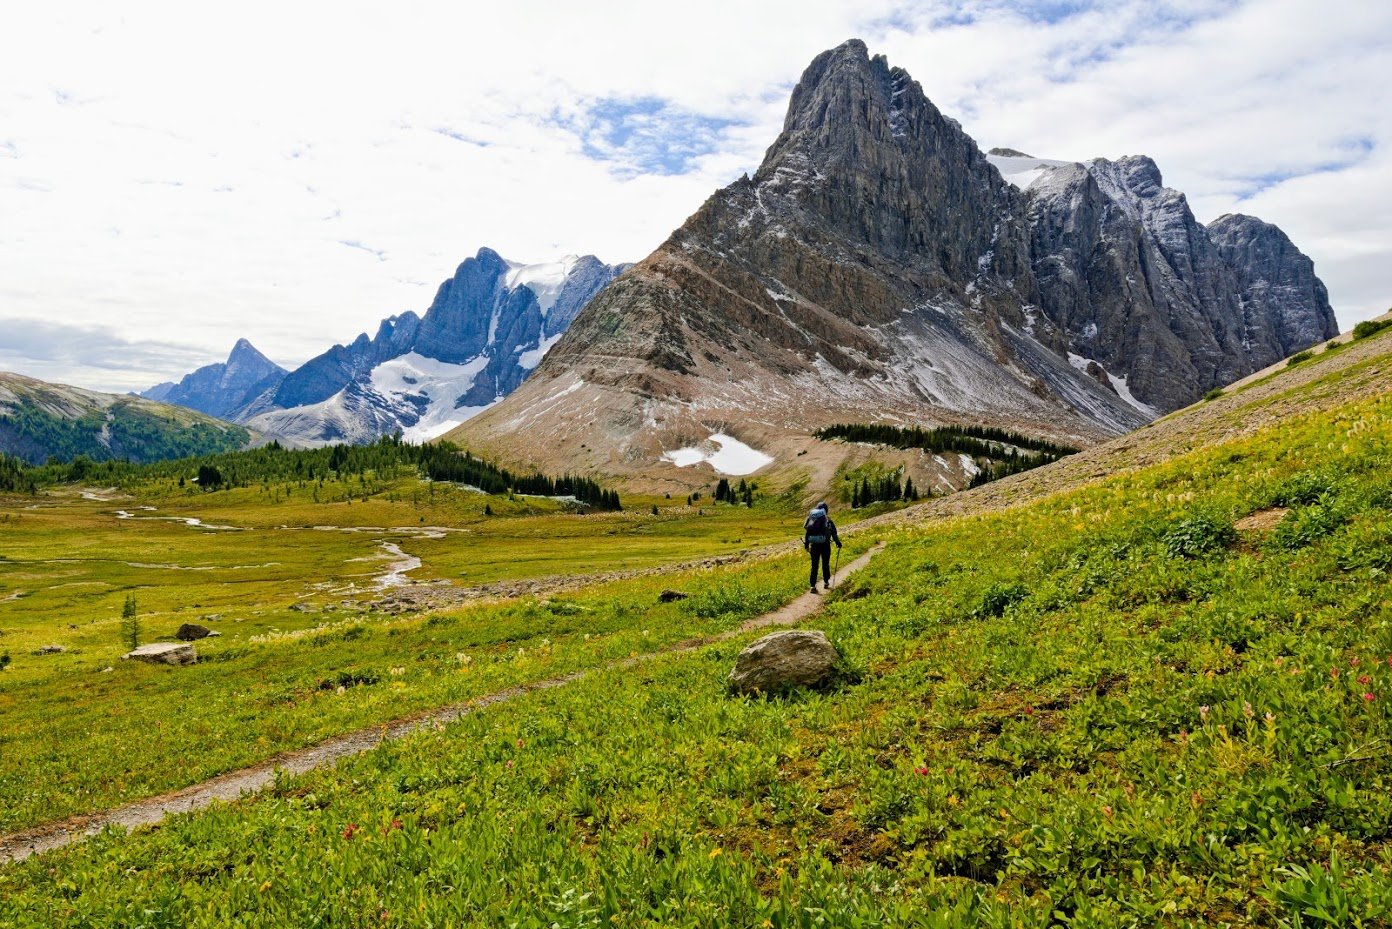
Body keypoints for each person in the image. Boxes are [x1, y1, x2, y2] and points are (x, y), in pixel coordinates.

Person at [803, 501, 841, 593]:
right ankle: (826, 582)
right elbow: (834, 534)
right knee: (825, 564)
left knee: (814, 566)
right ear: (826, 510)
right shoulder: (828, 520)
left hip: (814, 546)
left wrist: (807, 545)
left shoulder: (812, 519)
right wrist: (838, 543)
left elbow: (807, 532)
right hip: (825, 545)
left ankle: (812, 586)